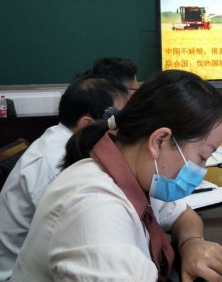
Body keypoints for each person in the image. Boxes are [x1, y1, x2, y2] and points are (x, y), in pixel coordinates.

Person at [10, 70, 222, 282]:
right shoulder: (93, 206)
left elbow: (183, 215)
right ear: (159, 141)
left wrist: (191, 243)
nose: (201, 169)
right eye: (202, 156)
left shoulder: (137, 172)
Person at [0, 75, 129, 281]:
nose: (121, 130)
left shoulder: (60, 138)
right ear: (86, 124)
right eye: (116, 122)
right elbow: (79, 234)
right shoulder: (58, 165)